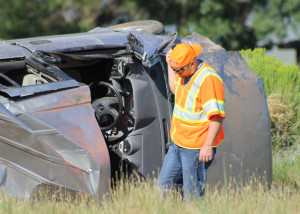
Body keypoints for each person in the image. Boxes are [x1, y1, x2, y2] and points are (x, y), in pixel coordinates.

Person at [157, 43, 226, 199]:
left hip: (195, 149)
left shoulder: (208, 79)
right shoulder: (184, 74)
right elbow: (176, 89)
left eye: (178, 70)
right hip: (177, 145)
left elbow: (217, 116)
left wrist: (207, 146)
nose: (177, 74)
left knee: (191, 197)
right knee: (161, 190)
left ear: (192, 63)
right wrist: (170, 66)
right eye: (175, 70)